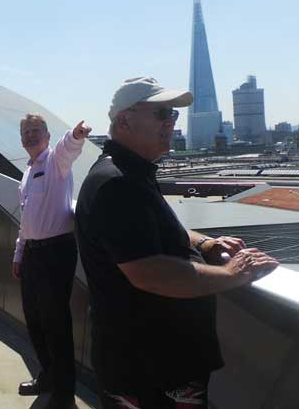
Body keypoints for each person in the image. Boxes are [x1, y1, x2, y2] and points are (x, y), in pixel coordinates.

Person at [74, 77, 279, 409]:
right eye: (162, 114)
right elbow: (149, 272)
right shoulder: (118, 184)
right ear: (124, 120)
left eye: (173, 115)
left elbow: (159, 228)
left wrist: (206, 243)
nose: (171, 122)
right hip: (149, 370)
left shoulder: (129, 173)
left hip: (154, 364)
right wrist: (233, 273)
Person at [12, 114, 91, 409]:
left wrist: (77, 134)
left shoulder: (55, 161)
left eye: (36, 131)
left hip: (57, 251)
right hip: (33, 252)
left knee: (56, 322)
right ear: (21, 140)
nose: (31, 135)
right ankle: (48, 375)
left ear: (46, 136)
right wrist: (19, 254)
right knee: (33, 318)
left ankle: (64, 390)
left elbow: (67, 147)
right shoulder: (27, 173)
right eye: (26, 132)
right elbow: (26, 221)